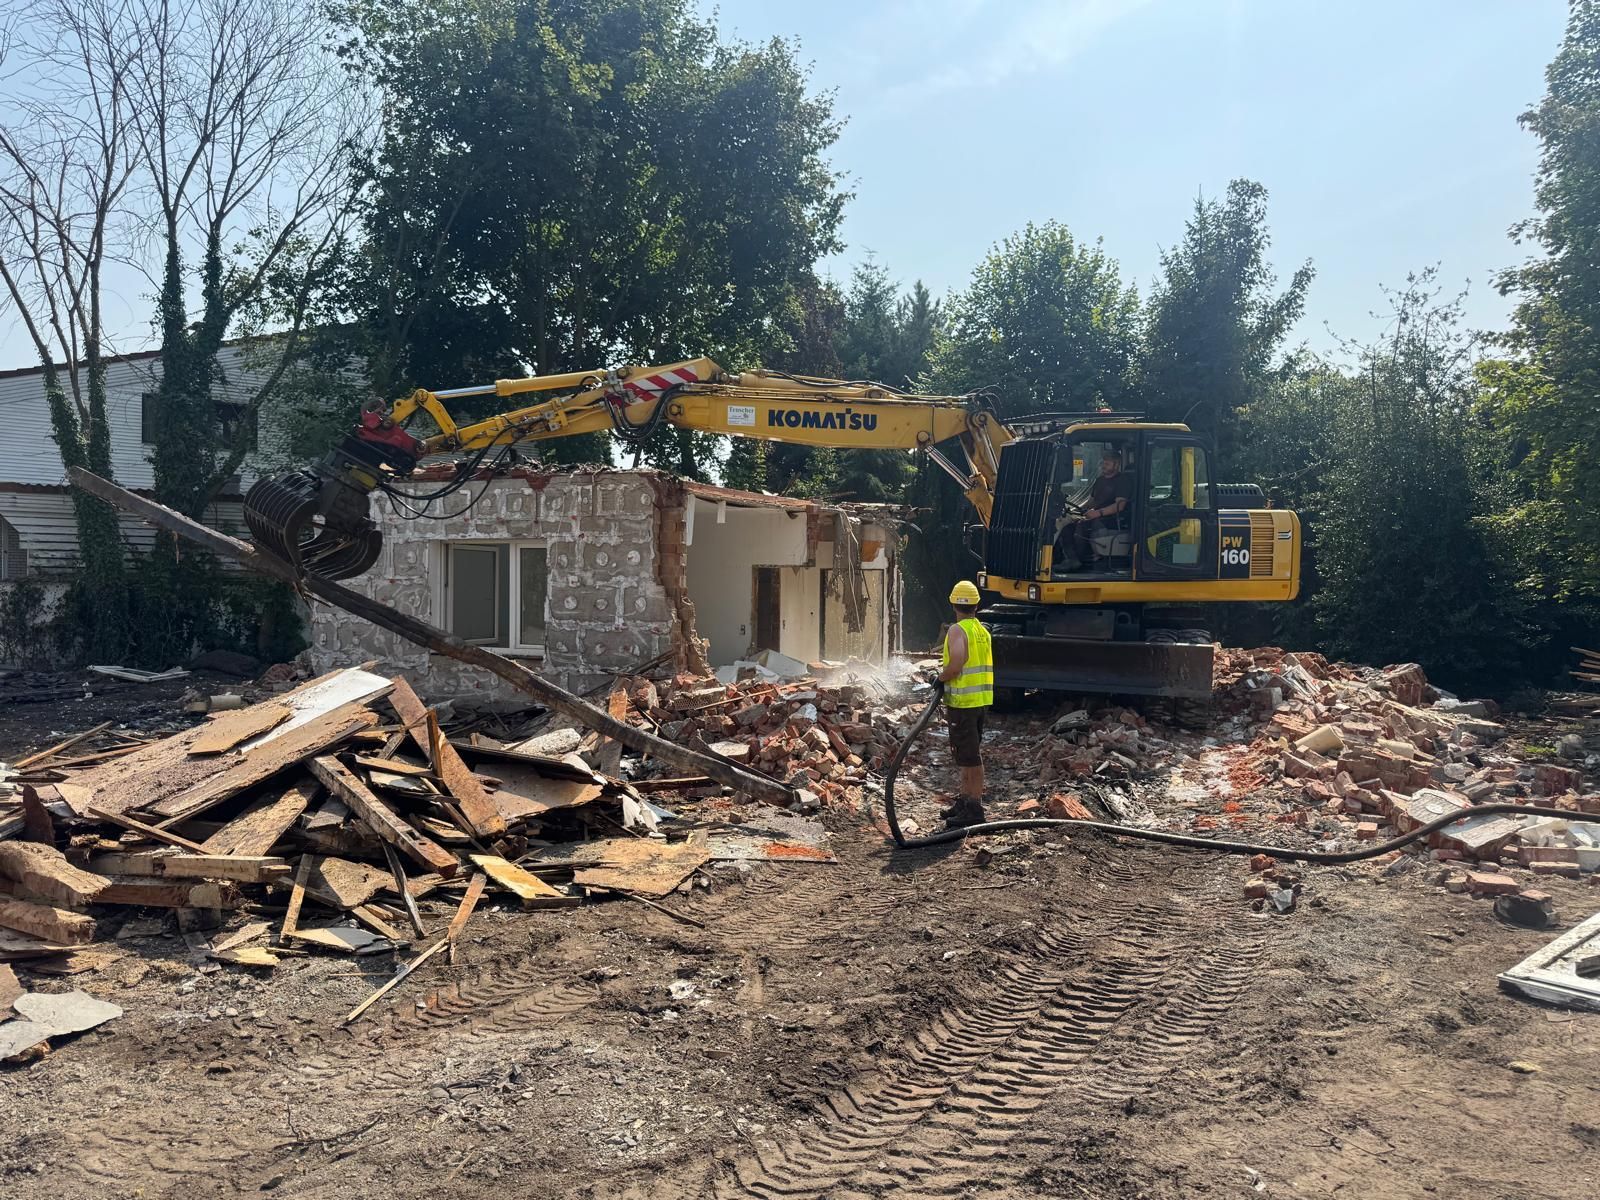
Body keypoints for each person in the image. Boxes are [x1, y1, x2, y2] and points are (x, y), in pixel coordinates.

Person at [935, 580, 994, 829]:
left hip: (963, 703)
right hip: (980, 702)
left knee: (970, 758)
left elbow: (957, 663)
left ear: (953, 604)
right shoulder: (982, 631)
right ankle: (966, 800)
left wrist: (939, 677)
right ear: (977, 606)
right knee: (967, 755)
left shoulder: (957, 631)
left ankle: (974, 808)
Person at [1054, 449, 1133, 570]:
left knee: (1081, 526)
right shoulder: (1100, 480)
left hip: (1112, 518)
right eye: (1103, 463)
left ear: (1116, 465)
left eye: (1107, 463)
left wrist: (1097, 513)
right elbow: (1092, 501)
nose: (1103, 466)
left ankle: (1080, 562)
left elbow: (1120, 505)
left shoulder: (1122, 481)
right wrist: (1077, 509)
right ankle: (1070, 558)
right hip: (1097, 514)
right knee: (1067, 524)